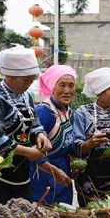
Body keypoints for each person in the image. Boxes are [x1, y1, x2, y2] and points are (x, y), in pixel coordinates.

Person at [0, 45, 51, 209]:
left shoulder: (26, 96)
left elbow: (35, 124)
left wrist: (41, 136)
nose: (29, 84)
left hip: (22, 174)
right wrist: (29, 152)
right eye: (25, 80)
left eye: (32, 79)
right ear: (10, 75)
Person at [73, 67, 110, 207]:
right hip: (89, 175)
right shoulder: (82, 112)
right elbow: (76, 141)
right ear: (100, 90)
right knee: (90, 217)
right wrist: (88, 144)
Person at [29, 64, 78, 205]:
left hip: (63, 175)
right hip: (44, 177)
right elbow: (31, 150)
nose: (67, 91)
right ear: (52, 86)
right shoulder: (44, 112)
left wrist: (73, 158)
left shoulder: (69, 112)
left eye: (71, 85)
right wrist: (52, 171)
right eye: (62, 85)